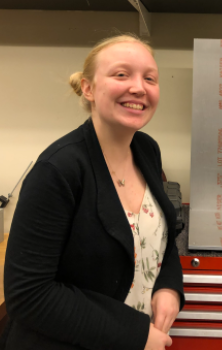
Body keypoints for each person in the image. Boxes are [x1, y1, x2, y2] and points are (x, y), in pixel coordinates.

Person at [1, 34, 184, 350]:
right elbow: (29, 295)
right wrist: (135, 333)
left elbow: (157, 237)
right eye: (121, 74)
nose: (139, 87)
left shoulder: (146, 150)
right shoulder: (58, 170)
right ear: (88, 87)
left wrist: (168, 285)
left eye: (149, 78)